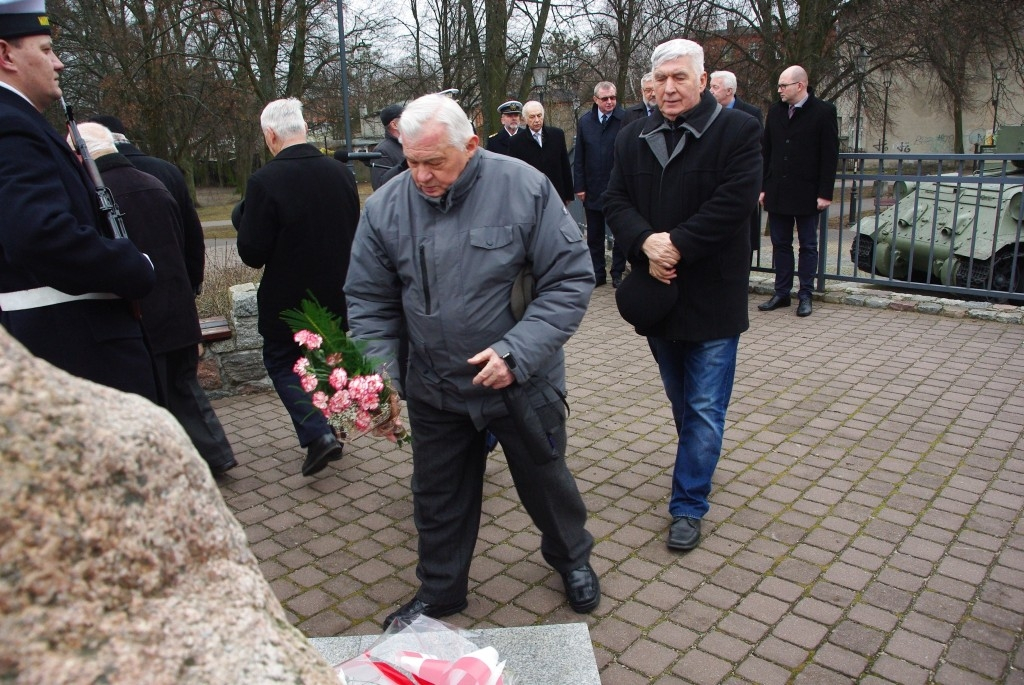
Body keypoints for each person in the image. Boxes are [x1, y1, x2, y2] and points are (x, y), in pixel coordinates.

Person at [345, 93, 599, 629]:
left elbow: (571, 279)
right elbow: (369, 301)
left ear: (471, 145)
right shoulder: (386, 208)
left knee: (546, 483)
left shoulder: (525, 187)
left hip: (520, 382)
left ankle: (572, 559)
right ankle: (441, 591)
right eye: (411, 161)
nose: (420, 176)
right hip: (435, 385)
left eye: (433, 162)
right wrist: (380, 376)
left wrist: (517, 352)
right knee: (437, 497)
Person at [604, 38, 762, 552]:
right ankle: (699, 457)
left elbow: (733, 202)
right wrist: (643, 241)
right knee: (684, 402)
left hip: (713, 297)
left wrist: (674, 245)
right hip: (659, 295)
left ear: (701, 78)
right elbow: (615, 200)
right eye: (661, 79)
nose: (669, 88)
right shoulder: (633, 136)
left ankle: (688, 504)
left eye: (680, 77)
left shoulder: (739, 130)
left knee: (703, 406)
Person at [0, 0, 158, 402]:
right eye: (46, 50)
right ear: (6, 54)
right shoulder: (12, 125)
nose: (59, 64)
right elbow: (39, 235)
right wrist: (133, 265)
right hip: (73, 348)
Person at [74, 122, 237, 477]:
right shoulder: (156, 182)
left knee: (154, 395)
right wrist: (191, 288)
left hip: (137, 310)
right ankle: (216, 454)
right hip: (176, 304)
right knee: (185, 386)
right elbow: (193, 241)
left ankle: (174, 464)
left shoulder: (92, 197)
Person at [233, 98, 360, 477]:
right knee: (321, 362)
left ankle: (317, 433)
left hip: (288, 297)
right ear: (304, 129)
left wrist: (243, 218)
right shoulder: (342, 175)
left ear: (270, 135)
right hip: (336, 290)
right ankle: (330, 427)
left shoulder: (264, 181)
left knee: (282, 362)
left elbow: (253, 253)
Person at [87, 114, 206, 296]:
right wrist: (193, 281)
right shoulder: (168, 170)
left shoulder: (90, 181)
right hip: (174, 285)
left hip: (124, 293)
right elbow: (192, 234)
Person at [758, 65, 839, 317]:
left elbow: (829, 155)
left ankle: (806, 294)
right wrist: (762, 187)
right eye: (779, 85)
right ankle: (781, 293)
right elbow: (766, 151)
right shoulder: (775, 110)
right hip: (778, 191)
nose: (779, 90)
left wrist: (825, 193)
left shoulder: (824, 112)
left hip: (808, 192)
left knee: (808, 245)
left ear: (800, 86)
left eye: (784, 85)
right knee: (780, 243)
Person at [573, 81, 627, 287]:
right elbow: (579, 157)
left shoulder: (624, 119)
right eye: (605, 99)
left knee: (620, 234)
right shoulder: (586, 122)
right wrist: (580, 186)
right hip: (593, 187)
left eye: (613, 98)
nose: (610, 102)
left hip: (617, 187)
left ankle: (617, 272)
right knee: (594, 235)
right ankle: (597, 273)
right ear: (596, 100)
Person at [709, 70, 764, 254]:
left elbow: (758, 150)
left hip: (740, 181)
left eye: (715, 87)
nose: (711, 91)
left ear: (729, 90)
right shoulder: (706, 111)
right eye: (710, 87)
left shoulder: (751, 113)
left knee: (741, 242)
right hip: (713, 181)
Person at [507, 100, 574, 204]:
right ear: (525, 119)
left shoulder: (557, 135)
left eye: (539, 115)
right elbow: (515, 173)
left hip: (556, 193)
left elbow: (565, 165)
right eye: (532, 117)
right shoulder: (516, 142)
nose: (537, 120)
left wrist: (569, 194)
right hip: (530, 196)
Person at [370, 103, 405, 190]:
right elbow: (380, 186)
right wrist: (404, 165)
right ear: (394, 125)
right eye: (406, 118)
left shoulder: (410, 145)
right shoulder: (381, 151)